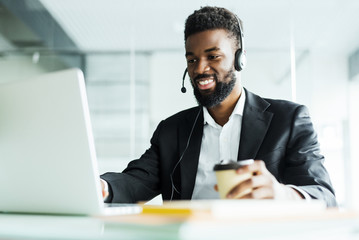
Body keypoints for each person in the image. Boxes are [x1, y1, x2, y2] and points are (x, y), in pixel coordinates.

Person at [100, 6, 337, 207]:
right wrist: (101, 187)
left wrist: (283, 194)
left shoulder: (289, 119)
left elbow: (324, 197)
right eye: (192, 59)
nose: (200, 69)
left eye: (213, 56)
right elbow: (137, 181)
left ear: (239, 58)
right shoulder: (171, 130)